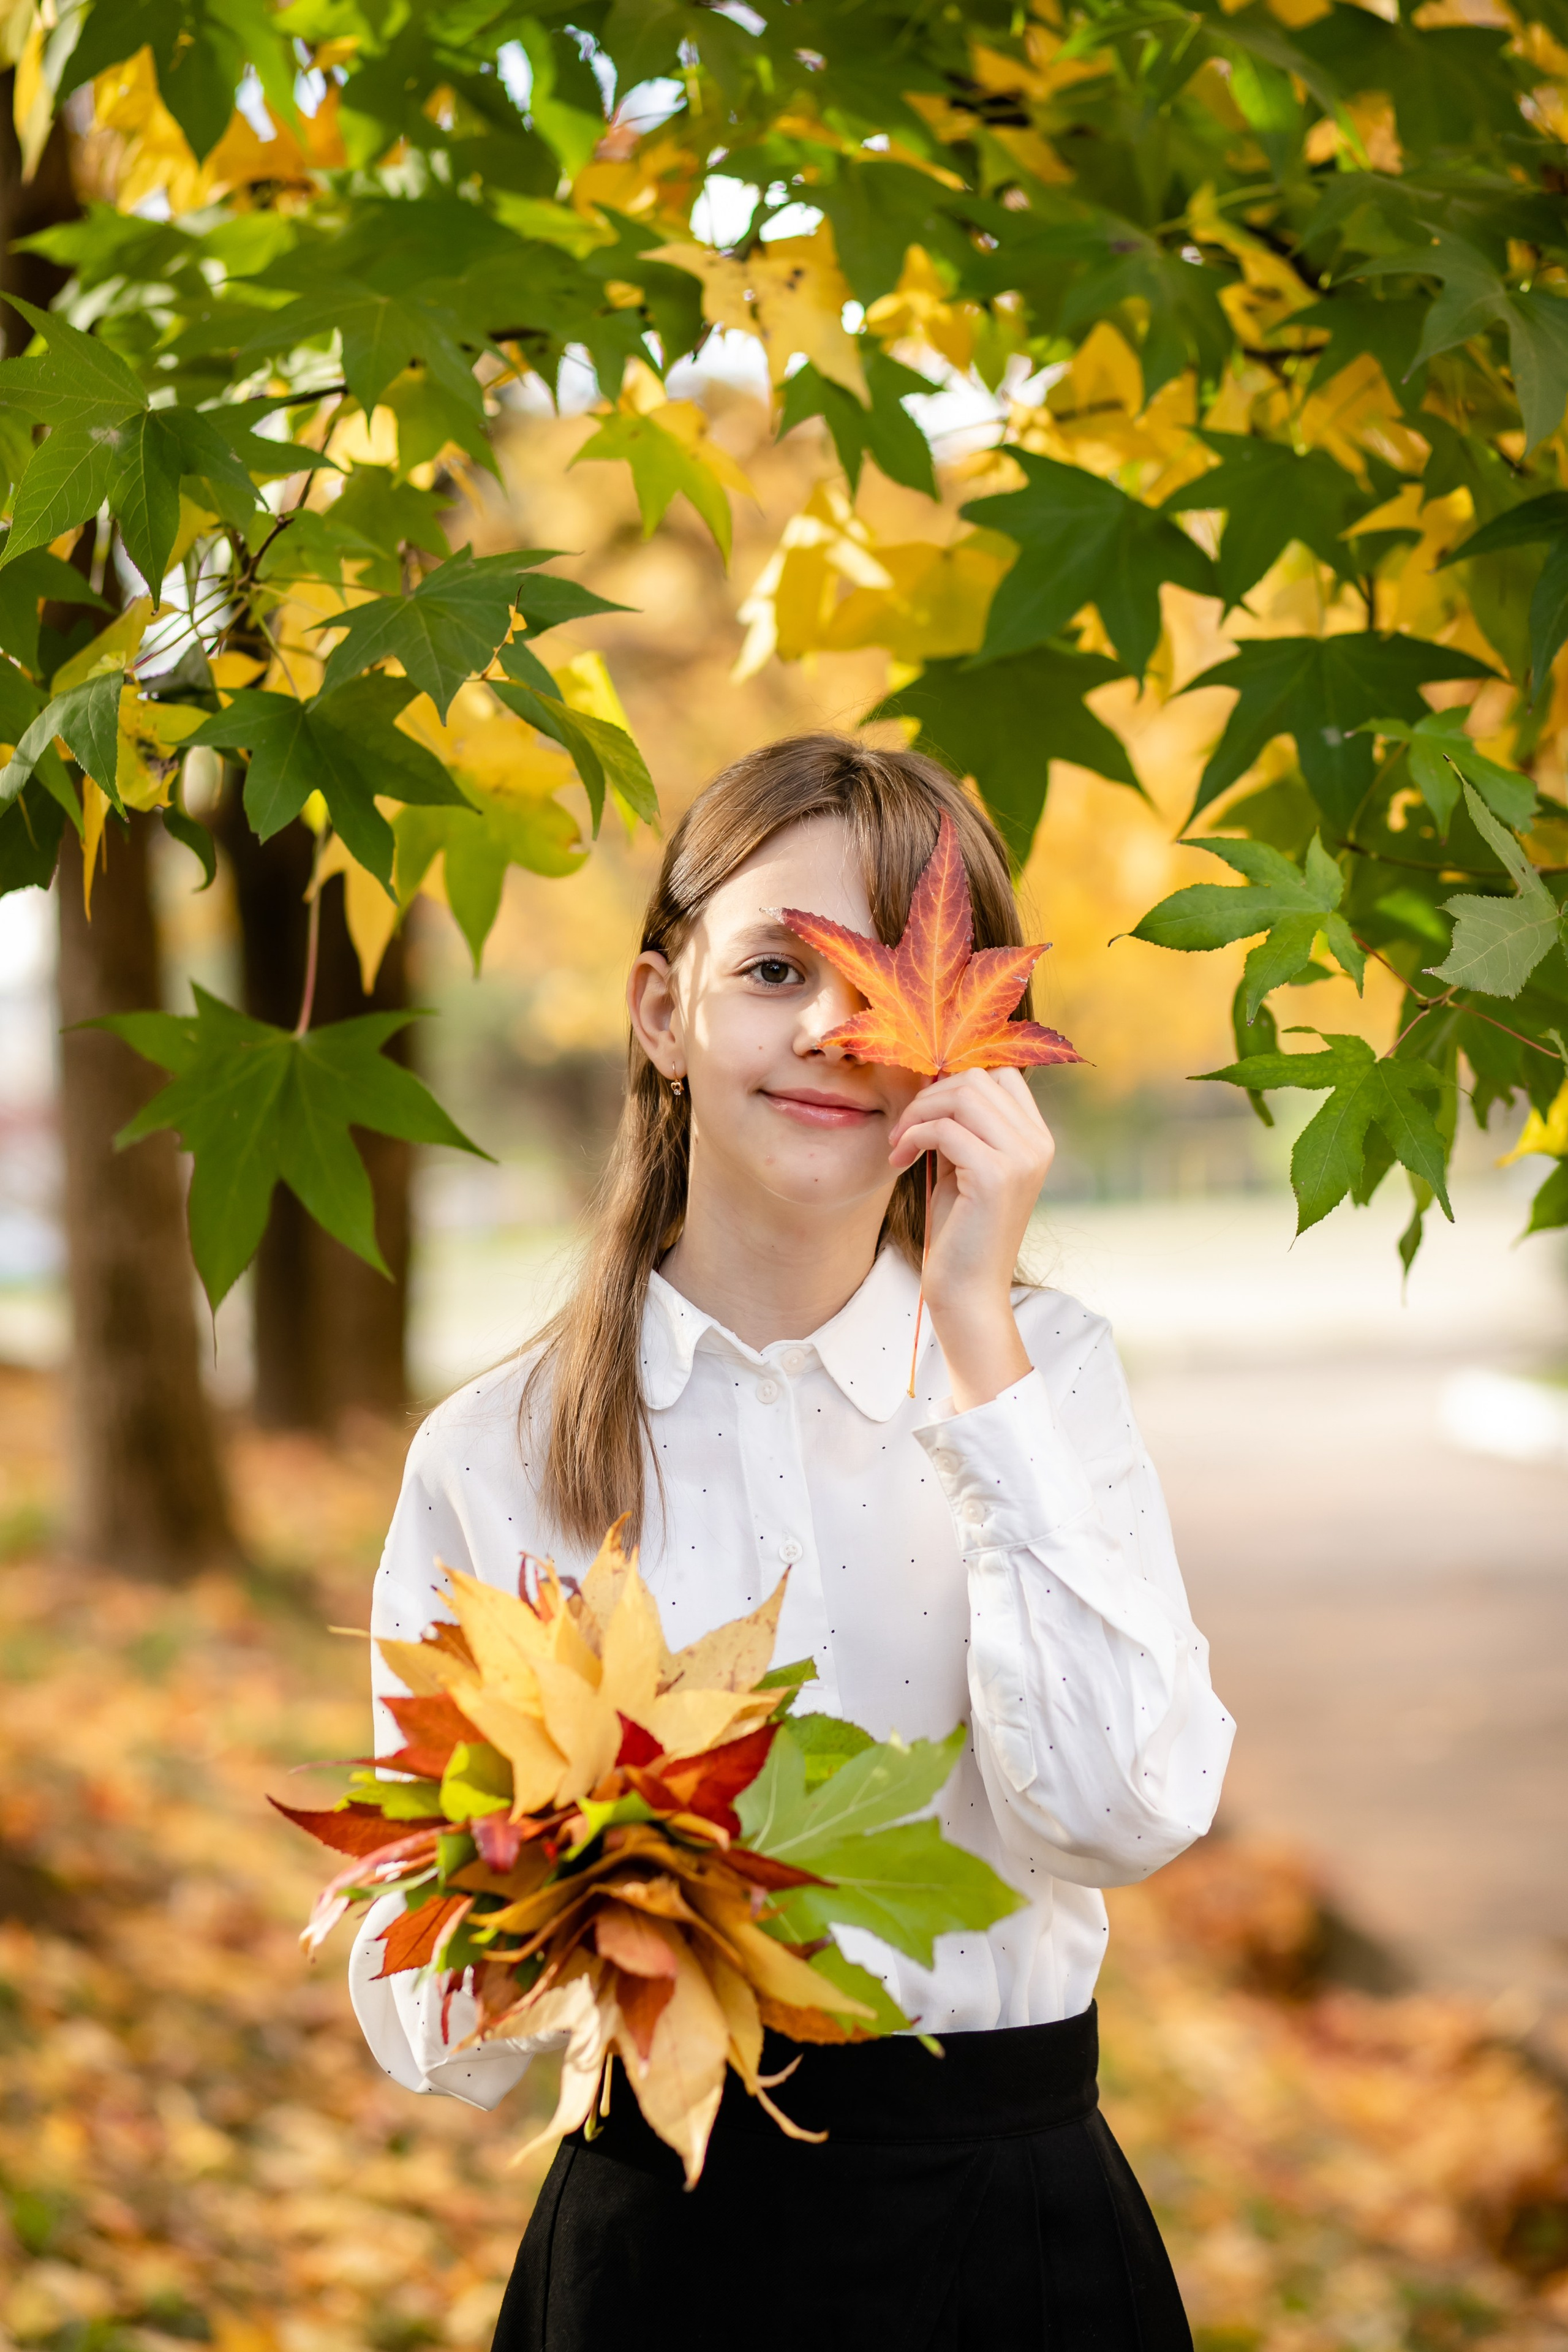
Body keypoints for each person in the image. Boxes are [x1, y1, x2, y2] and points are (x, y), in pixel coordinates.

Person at [353, 734, 1234, 2348]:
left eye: (897, 982)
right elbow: (438, 2027)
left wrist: (978, 1331)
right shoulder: (495, 1456)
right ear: (659, 1010)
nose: (837, 1028)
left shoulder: (1047, 1375)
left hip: (1013, 2234)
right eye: (774, 967)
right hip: (661, 2253)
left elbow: (1124, 1811)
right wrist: (548, 1880)